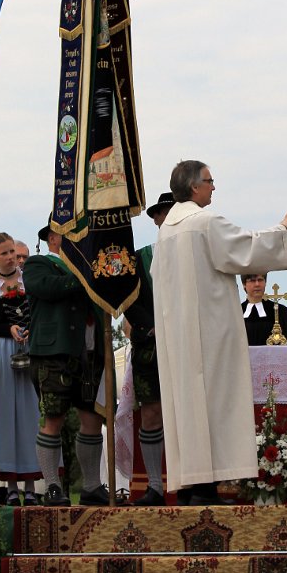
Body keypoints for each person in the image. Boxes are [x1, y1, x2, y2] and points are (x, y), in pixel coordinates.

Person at [151, 160, 287, 506]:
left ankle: (189, 486)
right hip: (210, 331)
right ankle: (205, 489)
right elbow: (248, 249)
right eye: (209, 181)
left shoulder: (166, 231)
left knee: (187, 408)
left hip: (178, 337)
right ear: (194, 187)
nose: (213, 187)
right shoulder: (205, 223)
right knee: (214, 404)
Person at [24, 220, 108, 507]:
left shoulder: (88, 266)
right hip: (54, 352)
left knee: (92, 419)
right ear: (52, 238)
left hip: (91, 352)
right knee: (54, 418)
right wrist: (85, 276)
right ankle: (51, 486)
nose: (78, 238)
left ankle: (92, 486)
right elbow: (47, 288)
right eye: (71, 233)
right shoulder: (38, 263)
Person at [0, 232, 41, 506]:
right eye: (5, 253)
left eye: (12, 251)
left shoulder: (31, 280)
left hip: (30, 347)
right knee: (3, 416)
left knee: (31, 414)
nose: (11, 257)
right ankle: (11, 486)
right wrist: (7, 328)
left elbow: (42, 310)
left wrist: (31, 328)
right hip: (1, 350)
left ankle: (32, 486)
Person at [124, 191, 174, 507]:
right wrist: (151, 327)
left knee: (189, 414)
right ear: (155, 219)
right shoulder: (139, 258)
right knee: (152, 412)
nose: (169, 218)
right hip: (150, 348)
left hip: (187, 347)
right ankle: (155, 486)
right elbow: (128, 298)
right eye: (164, 213)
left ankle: (194, 485)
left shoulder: (196, 256)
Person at [241, 272, 287, 345]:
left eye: (260, 280)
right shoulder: (237, 312)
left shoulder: (281, 311)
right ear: (244, 284)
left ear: (265, 282)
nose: (257, 284)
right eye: (252, 281)